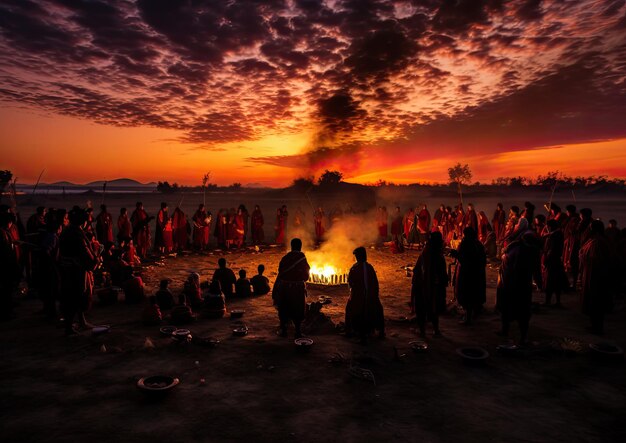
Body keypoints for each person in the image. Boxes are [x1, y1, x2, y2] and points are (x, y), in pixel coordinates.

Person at [496, 221, 541, 345]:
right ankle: (512, 332)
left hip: (516, 285)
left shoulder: (522, 250)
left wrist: (538, 282)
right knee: (514, 310)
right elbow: (535, 270)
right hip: (512, 284)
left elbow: (535, 270)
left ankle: (521, 335)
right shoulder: (518, 250)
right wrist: (539, 283)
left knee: (518, 311)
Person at [58, 207, 99, 335]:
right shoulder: (76, 234)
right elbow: (85, 252)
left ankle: (81, 321)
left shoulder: (68, 231)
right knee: (76, 296)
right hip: (76, 270)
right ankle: (69, 327)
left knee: (75, 296)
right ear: (82, 222)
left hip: (68, 269)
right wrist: (95, 259)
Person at [579, 220, 614, 335]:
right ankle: (594, 325)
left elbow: (596, 259)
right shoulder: (595, 240)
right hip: (591, 273)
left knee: (596, 300)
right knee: (593, 300)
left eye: (590, 227)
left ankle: (597, 327)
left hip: (596, 275)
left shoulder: (598, 242)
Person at [411, 232, 447, 337]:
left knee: (425, 308)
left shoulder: (428, 252)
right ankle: (434, 330)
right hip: (428, 286)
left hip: (427, 287)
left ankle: (427, 331)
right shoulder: (433, 253)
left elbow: (418, 270)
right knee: (432, 308)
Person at [345, 246, 385, 342]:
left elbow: (350, 282)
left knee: (352, 310)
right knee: (377, 310)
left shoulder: (355, 268)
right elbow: (375, 283)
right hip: (371, 295)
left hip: (359, 296)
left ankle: (353, 332)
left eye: (356, 256)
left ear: (358, 257)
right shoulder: (369, 267)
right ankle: (379, 331)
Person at [273, 238, 310, 338]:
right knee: (298, 308)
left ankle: (284, 330)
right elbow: (306, 276)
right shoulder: (302, 257)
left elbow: (280, 272)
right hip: (297, 288)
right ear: (300, 246)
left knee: (284, 307)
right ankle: (297, 332)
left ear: (291, 246)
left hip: (284, 287)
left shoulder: (285, 258)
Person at [453, 227, 486, 325]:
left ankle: (468, 318)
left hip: (467, 275)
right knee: (474, 294)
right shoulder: (478, 244)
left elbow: (465, 259)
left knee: (467, 295)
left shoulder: (466, 244)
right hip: (477, 275)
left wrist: (456, 254)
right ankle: (473, 313)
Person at [0, 209, 21, 321]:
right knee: (6, 290)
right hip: (6, 266)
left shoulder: (6, 232)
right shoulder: (3, 233)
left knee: (8, 290)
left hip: (8, 265)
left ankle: (8, 310)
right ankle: (6, 313)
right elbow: (6, 251)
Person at [542, 219, 566, 307]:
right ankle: (557, 301)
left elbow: (551, 250)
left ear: (551, 226)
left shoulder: (554, 236)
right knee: (556, 282)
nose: (547, 228)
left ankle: (548, 301)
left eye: (547, 226)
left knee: (550, 281)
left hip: (552, 261)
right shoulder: (557, 234)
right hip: (556, 261)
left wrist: (546, 260)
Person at [562, 205, 580, 290]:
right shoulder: (571, 219)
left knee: (572, 262)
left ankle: (573, 283)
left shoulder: (574, 220)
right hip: (568, 243)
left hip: (572, 244)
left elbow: (572, 231)